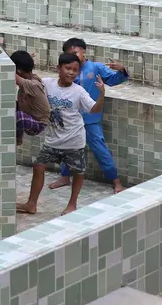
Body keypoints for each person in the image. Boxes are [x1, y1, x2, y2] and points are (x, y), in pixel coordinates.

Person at [18, 53, 105, 216]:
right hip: (52, 141)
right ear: (59, 68)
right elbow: (32, 83)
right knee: (38, 167)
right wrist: (27, 65)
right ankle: (31, 204)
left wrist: (101, 94)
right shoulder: (47, 84)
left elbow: (95, 109)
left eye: (75, 70)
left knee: (78, 172)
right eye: (68, 68)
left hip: (74, 141)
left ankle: (72, 204)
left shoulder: (79, 91)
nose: (71, 73)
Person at [49, 38, 130, 194]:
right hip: (71, 118)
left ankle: (116, 181)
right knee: (68, 148)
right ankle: (64, 177)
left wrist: (122, 70)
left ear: (83, 51)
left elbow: (113, 80)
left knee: (100, 149)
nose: (72, 57)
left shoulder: (96, 67)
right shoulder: (70, 69)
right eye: (69, 55)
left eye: (75, 53)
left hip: (90, 120)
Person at [10, 50, 50, 146]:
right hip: (29, 113)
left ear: (19, 71)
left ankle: (18, 139)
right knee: (10, 104)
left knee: (19, 116)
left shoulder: (33, 84)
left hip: (38, 123)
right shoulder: (30, 77)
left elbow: (9, 70)